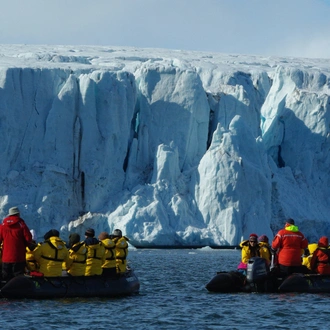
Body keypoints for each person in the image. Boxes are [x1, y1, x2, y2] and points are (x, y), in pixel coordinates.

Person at [0, 206, 32, 281]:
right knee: (18, 279)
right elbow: (28, 239)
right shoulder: (21, 224)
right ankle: (17, 292)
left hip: (6, 258)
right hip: (18, 257)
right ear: (17, 214)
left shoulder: (3, 225)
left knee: (5, 278)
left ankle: (4, 291)